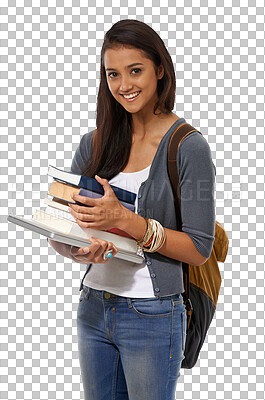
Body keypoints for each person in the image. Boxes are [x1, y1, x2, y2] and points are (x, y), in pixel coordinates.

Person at [48, 19, 216, 400]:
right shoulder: (94, 144)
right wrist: (77, 250)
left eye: (135, 70)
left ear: (160, 69)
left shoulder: (188, 147)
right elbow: (62, 228)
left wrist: (126, 221)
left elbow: (198, 247)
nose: (124, 85)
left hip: (153, 314)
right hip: (93, 306)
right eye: (113, 74)